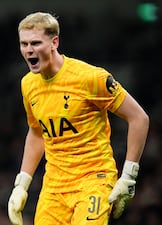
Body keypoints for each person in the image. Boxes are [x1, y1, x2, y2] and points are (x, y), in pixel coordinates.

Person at [8, 12, 149, 225]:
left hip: (94, 179)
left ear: (55, 42)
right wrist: (22, 184)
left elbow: (139, 118)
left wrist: (129, 176)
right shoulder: (28, 84)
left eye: (35, 43)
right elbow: (37, 132)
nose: (29, 50)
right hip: (54, 188)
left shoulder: (89, 78)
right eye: (24, 44)